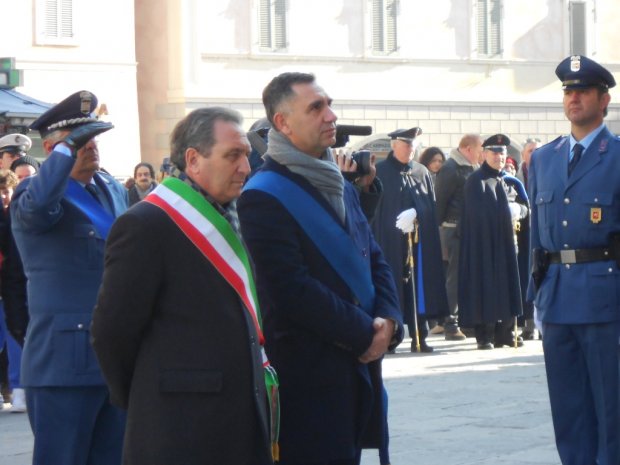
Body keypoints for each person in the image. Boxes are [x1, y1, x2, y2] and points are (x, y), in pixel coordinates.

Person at [92, 107, 275, 465]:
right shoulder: (146, 224)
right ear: (193, 160)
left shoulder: (234, 214)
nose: (245, 167)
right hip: (180, 428)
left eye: (246, 155)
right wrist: (149, 396)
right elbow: (112, 332)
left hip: (239, 422)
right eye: (233, 155)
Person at [237, 72, 404, 465]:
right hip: (310, 378)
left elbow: (373, 256)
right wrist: (366, 333)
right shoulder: (262, 194)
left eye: (329, 104)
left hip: (357, 369)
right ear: (282, 122)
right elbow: (290, 289)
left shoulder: (337, 180)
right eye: (316, 108)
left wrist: (390, 320)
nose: (331, 115)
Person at [11, 90, 127, 465]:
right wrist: (63, 154)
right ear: (51, 148)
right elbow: (38, 209)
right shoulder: (34, 193)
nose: (90, 146)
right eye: (79, 140)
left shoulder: (111, 188)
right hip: (64, 362)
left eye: (92, 138)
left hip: (114, 355)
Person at [528, 55, 620, 465]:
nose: (574, 98)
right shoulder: (544, 158)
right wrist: (534, 295)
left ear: (604, 100)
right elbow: (536, 236)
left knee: (611, 408)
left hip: (605, 298)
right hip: (556, 297)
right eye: (568, 91)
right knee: (568, 411)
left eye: (583, 91)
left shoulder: (615, 155)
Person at [372, 128, 449, 353]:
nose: (410, 149)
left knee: (419, 286)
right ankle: (391, 338)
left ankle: (420, 335)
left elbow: (430, 205)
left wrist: (417, 212)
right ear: (394, 145)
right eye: (406, 145)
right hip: (389, 242)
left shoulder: (421, 171)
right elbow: (375, 209)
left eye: (413, 146)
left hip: (418, 242)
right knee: (391, 286)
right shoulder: (380, 172)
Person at [458, 134, 524, 350]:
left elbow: (526, 207)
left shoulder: (509, 180)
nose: (499, 157)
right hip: (484, 246)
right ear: (484, 154)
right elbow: (477, 216)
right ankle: (485, 334)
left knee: (507, 285)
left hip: (507, 244)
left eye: (502, 153)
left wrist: (519, 210)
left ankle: (505, 332)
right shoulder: (476, 181)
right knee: (484, 286)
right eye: (494, 153)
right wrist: (505, 213)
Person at [433, 134, 482, 339]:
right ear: (468, 149)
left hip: (468, 230)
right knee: (454, 278)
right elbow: (440, 202)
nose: (481, 154)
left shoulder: (472, 168)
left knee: (467, 277)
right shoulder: (450, 168)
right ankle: (449, 322)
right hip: (454, 230)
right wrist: (441, 231)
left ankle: (465, 320)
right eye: (479, 150)